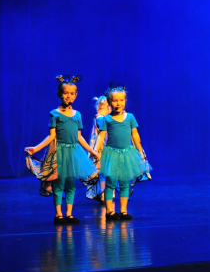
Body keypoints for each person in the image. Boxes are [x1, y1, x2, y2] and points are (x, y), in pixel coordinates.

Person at [25, 75, 98, 224]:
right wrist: (36, 149)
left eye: (72, 93)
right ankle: (58, 214)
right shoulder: (55, 114)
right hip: (58, 153)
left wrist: (92, 151)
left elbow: (79, 137)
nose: (68, 96)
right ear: (59, 94)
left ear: (76, 95)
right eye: (65, 93)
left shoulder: (77, 115)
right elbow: (51, 136)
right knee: (58, 184)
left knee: (71, 184)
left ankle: (69, 214)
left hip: (73, 153)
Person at [94, 83, 150, 221]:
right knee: (110, 182)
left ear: (125, 101)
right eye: (115, 100)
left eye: (121, 100)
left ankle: (123, 211)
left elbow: (135, 135)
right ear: (109, 102)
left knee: (125, 183)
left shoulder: (130, 117)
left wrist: (140, 150)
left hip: (126, 154)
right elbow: (101, 136)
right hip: (111, 154)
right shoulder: (107, 119)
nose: (118, 103)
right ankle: (109, 211)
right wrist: (95, 150)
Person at [86, 95, 111, 203]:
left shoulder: (100, 117)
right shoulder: (101, 118)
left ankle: (105, 193)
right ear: (108, 107)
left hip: (103, 149)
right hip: (101, 150)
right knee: (103, 173)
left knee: (105, 173)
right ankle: (103, 194)